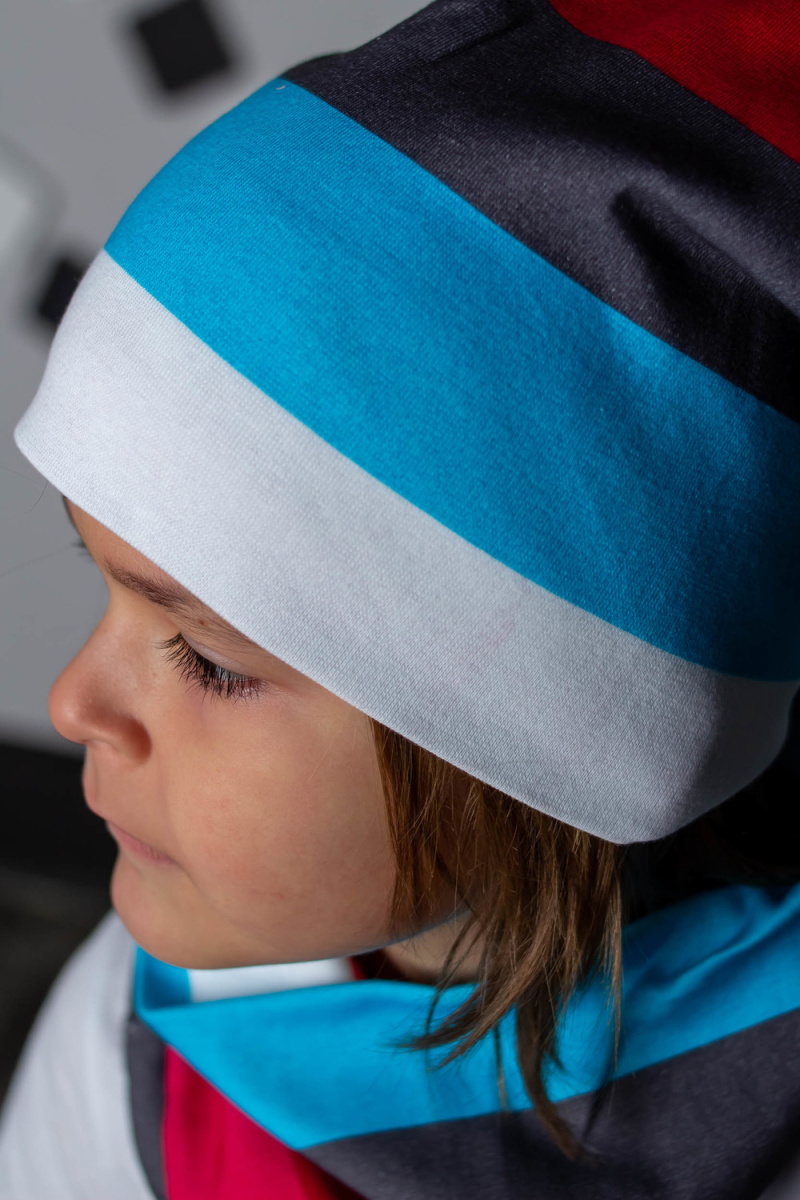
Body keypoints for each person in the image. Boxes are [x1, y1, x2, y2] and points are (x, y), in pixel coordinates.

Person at [2, 0, 800, 1196]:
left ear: (532, 744)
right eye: (106, 590)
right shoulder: (137, 1057)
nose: (73, 704)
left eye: (207, 659)